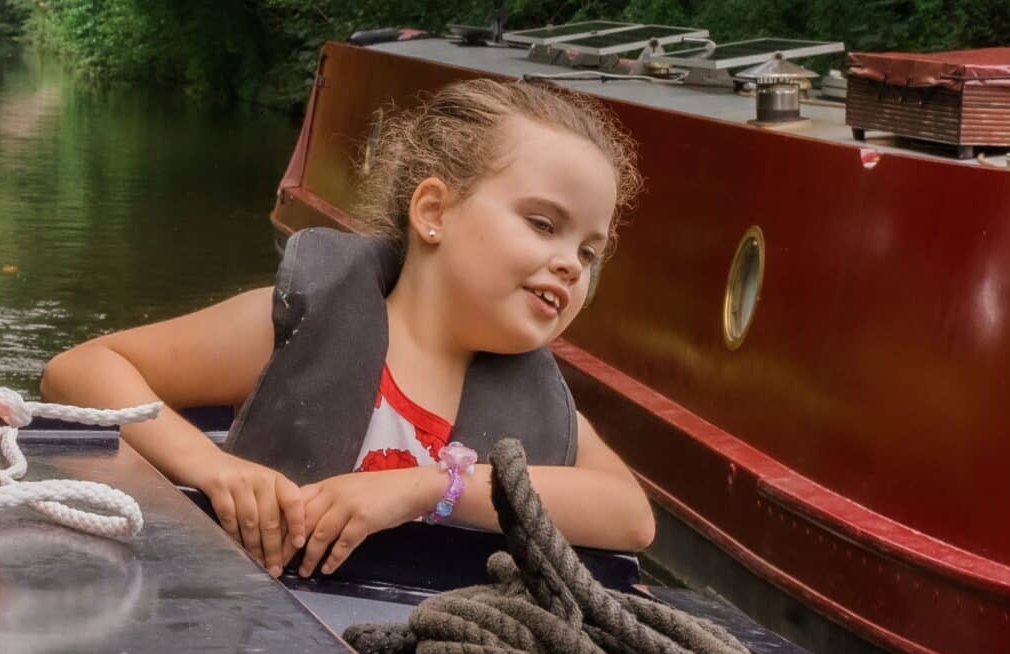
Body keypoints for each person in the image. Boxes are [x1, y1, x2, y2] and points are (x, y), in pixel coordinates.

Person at [40, 78, 657, 573]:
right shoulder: (303, 322)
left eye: (588, 253)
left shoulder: (541, 404)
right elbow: (79, 372)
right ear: (434, 212)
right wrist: (213, 466)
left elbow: (633, 516)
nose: (569, 265)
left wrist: (430, 487)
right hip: (260, 628)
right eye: (544, 225)